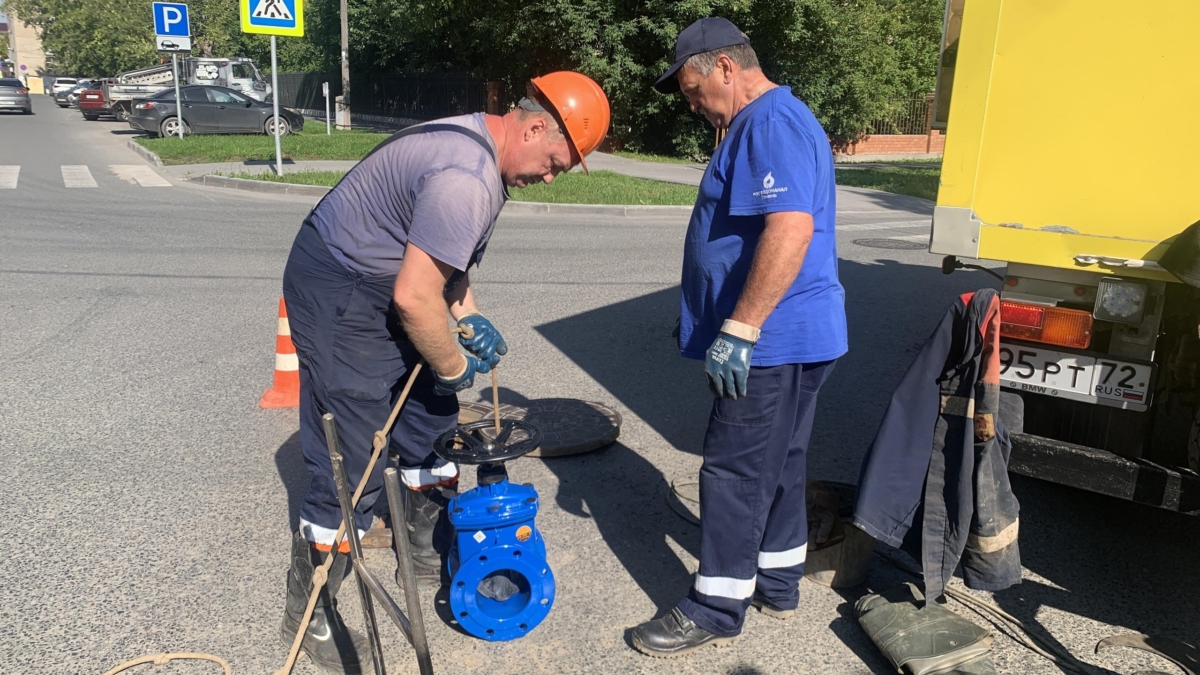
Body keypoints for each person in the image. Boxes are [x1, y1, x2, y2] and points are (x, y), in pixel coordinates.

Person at [279, 72, 610, 674]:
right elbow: (412, 297)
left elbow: (439, 265)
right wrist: (455, 364)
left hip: (392, 280)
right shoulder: (466, 178)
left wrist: (469, 315)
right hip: (341, 283)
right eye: (557, 162)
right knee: (354, 450)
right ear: (535, 126)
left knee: (431, 415)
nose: (550, 177)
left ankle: (428, 546)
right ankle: (313, 603)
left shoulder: (486, 152)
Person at [631, 18, 847, 657]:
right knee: (780, 462)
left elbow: (789, 230)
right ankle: (777, 581)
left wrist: (740, 327)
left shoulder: (769, 123)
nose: (691, 104)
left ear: (725, 67)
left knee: (732, 470)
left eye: (693, 89)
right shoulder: (774, 119)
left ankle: (715, 604)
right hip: (797, 334)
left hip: (772, 340)